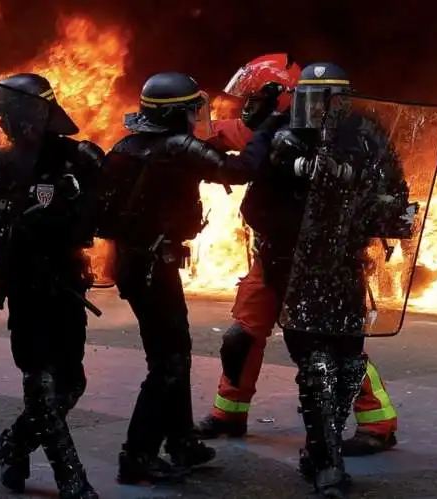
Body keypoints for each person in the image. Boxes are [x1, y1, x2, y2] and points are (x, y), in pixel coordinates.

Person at [197, 55, 399, 456]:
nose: (248, 107)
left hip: (329, 258)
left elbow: (390, 190)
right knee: (243, 335)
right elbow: (235, 143)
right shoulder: (277, 129)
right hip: (274, 251)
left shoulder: (364, 134)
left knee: (338, 344)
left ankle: (378, 422)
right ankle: (229, 413)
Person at [97, 71, 288, 484]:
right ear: (177, 115)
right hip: (152, 267)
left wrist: (253, 121)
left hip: (139, 264)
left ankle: (181, 441)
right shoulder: (175, 148)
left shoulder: (129, 145)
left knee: (175, 352)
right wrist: (270, 123)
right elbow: (241, 171)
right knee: (167, 362)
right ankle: (137, 455)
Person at [0, 73, 104, 499]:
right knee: (43, 385)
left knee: (71, 383)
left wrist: (68, 212)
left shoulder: (81, 160)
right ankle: (71, 479)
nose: (1, 127)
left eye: (7, 118)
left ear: (31, 117)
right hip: (25, 289)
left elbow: (104, 217)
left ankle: (13, 445)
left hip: (67, 286)